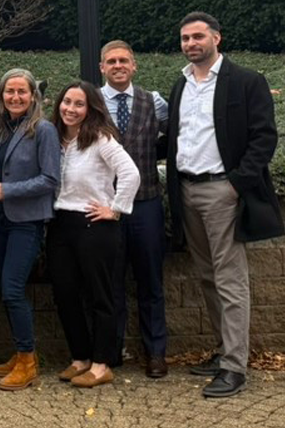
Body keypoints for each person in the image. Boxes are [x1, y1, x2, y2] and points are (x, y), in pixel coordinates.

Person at [167, 12, 282, 398]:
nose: (191, 44)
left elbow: (264, 138)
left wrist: (236, 185)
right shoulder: (181, 84)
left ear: (217, 37)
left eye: (198, 36)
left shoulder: (247, 81)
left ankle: (235, 367)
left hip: (223, 192)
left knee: (231, 280)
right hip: (187, 191)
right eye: (185, 38)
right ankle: (223, 351)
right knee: (207, 276)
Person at [48, 81, 140, 389]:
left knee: (101, 296)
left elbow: (130, 173)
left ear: (91, 109)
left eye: (78, 104)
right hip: (61, 224)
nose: (70, 109)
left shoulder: (101, 139)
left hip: (94, 225)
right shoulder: (56, 139)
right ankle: (80, 358)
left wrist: (115, 209)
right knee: (66, 295)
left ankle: (102, 364)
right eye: (66, 102)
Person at [98, 40, 170, 378]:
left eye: (123, 60)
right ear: (102, 67)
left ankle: (155, 352)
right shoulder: (92, 102)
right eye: (111, 61)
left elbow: (173, 138)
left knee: (150, 281)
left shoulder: (155, 102)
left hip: (146, 204)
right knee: (110, 282)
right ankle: (112, 351)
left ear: (134, 65)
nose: (118, 65)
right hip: (106, 206)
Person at [0, 68, 60, 391]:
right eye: (9, 91)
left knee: (13, 289)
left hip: (26, 222)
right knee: (6, 290)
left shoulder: (43, 130)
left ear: (33, 96)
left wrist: (9, 190)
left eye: (22, 92)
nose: (15, 97)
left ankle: (28, 360)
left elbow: (50, 179)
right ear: (1, 96)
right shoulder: (0, 129)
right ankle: (19, 353)